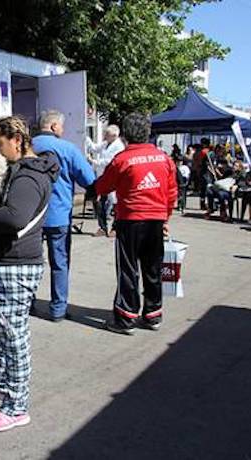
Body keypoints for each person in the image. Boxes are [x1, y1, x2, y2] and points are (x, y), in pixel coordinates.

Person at [0, 115, 57, 432]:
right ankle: (3, 383)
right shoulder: (21, 171)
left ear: (17, 140)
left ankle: (17, 407)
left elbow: (14, 217)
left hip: (17, 264)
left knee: (12, 335)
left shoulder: (28, 176)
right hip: (7, 262)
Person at [93, 112, 177, 335]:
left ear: (125, 134)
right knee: (153, 268)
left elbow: (103, 186)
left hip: (130, 221)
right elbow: (171, 193)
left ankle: (126, 318)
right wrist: (166, 218)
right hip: (156, 220)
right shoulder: (164, 158)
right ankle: (153, 315)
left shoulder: (122, 159)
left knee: (128, 270)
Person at [32, 110, 95, 322]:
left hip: (30, 217)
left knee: (30, 262)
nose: (63, 129)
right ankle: (58, 309)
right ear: (53, 126)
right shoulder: (68, 149)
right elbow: (89, 179)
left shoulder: (26, 147)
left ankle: (27, 302)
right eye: (61, 126)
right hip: (58, 216)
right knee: (59, 263)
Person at [87, 125, 125, 237]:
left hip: (113, 177)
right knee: (99, 202)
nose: (105, 136)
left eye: (107, 134)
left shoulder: (119, 146)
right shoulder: (105, 143)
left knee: (115, 203)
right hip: (102, 177)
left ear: (114, 135)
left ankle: (115, 227)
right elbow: (95, 148)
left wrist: (94, 161)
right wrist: (86, 138)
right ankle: (102, 227)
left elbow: (110, 161)